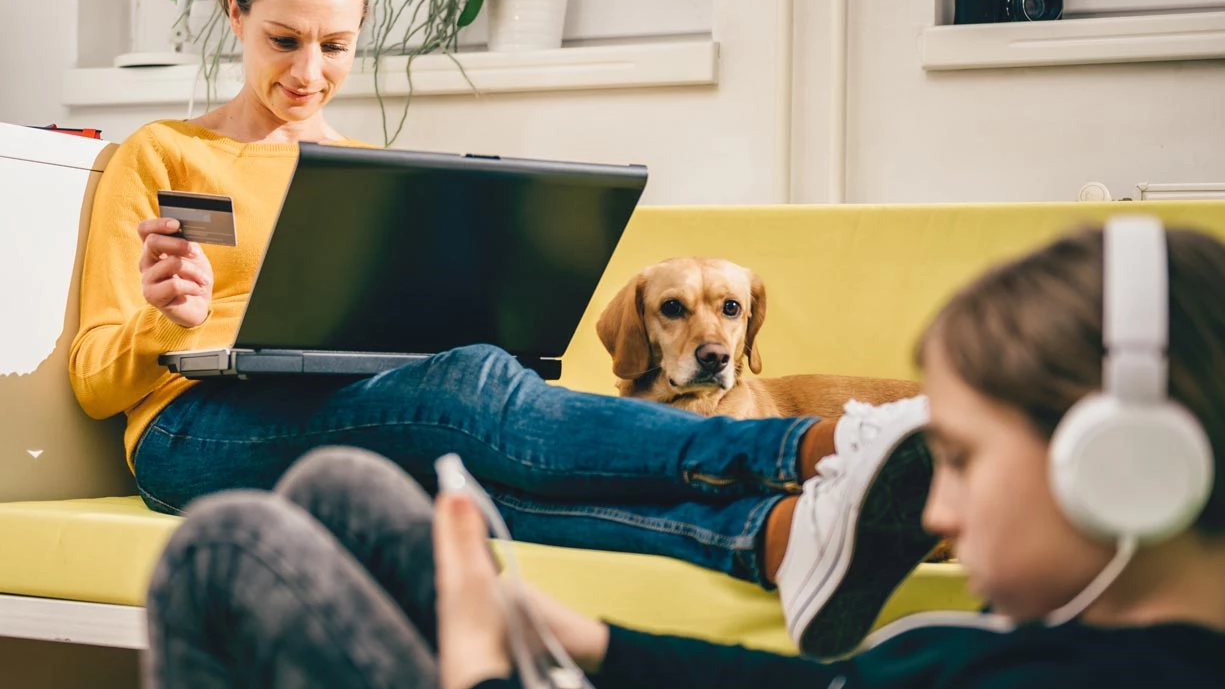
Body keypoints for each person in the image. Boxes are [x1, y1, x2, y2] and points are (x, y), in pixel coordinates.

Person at [69, 0, 934, 653]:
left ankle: (774, 538)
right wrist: (165, 318)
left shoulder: (369, 177)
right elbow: (96, 381)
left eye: (335, 46)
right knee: (468, 385)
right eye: (283, 41)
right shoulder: (163, 153)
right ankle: (814, 449)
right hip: (190, 433)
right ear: (234, 13)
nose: (307, 73)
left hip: (341, 406)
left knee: (482, 484)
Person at [144, 220, 1225, 687]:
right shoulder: (1043, 653)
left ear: (1123, 463)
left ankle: (796, 475)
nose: (937, 512)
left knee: (229, 546)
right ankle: (786, 509)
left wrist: (482, 674)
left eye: (961, 459)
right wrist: (590, 640)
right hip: (225, 409)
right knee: (350, 480)